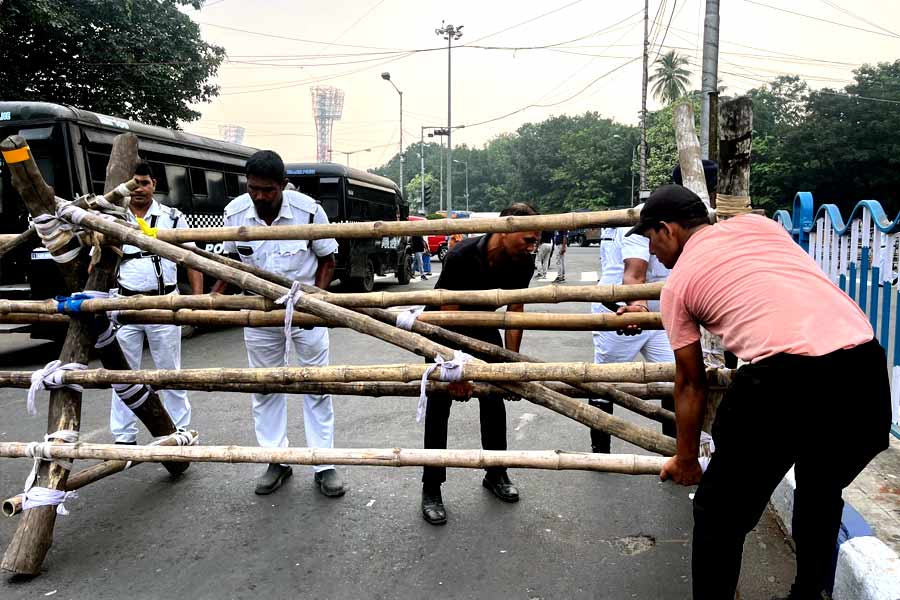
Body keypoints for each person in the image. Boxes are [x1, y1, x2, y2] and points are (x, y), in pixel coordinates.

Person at [629, 184, 890, 600]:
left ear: (668, 230)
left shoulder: (676, 288)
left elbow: (691, 381)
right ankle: (807, 596)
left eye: (650, 238)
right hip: (862, 367)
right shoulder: (760, 226)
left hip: (783, 381)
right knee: (821, 490)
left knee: (719, 516)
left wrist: (684, 458)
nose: (653, 252)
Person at [211, 150, 345, 497]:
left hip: (304, 309)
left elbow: (328, 261)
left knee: (317, 384)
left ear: (283, 186)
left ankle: (324, 463)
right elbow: (228, 264)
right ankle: (276, 459)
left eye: (267, 190)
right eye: (253, 188)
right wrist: (210, 302)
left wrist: (317, 304)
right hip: (259, 311)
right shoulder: (235, 212)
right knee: (265, 386)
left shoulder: (309, 210)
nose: (259, 196)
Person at [420, 203, 541, 526]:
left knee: (494, 398)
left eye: (536, 241)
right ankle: (431, 487)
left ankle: (496, 471)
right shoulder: (462, 254)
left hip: (484, 329)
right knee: (439, 404)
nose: (533, 247)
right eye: (528, 240)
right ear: (504, 231)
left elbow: (515, 312)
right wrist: (455, 368)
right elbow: (448, 314)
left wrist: (509, 366)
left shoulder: (523, 261)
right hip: (443, 331)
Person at [588, 162, 718, 453]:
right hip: (624, 308)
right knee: (606, 379)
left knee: (676, 373)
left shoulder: (699, 219)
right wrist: (637, 308)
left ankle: (673, 446)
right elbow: (635, 273)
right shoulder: (652, 216)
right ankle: (600, 449)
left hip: (667, 312)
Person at [109, 160, 203, 444]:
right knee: (123, 374)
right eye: (133, 183)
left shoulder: (172, 218)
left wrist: (196, 303)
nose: (138, 189)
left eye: (144, 183)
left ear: (154, 186)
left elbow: (192, 260)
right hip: (125, 305)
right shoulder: (113, 217)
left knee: (169, 372)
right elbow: (97, 264)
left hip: (164, 304)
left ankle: (180, 432)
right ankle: (124, 436)